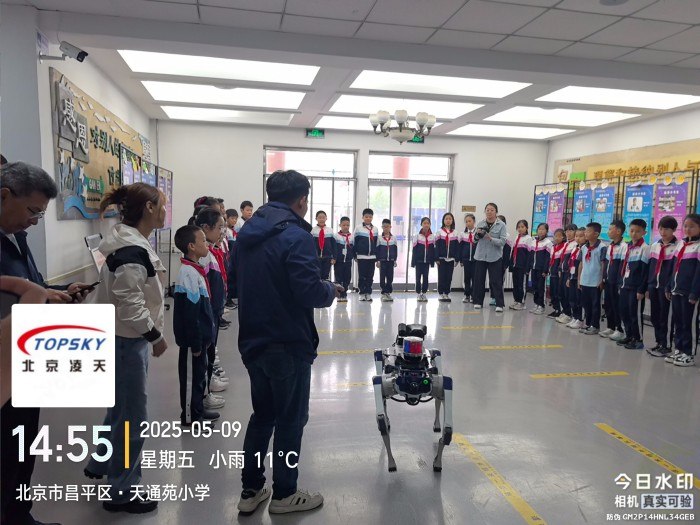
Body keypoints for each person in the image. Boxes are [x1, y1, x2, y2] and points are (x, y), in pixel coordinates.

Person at [234, 170, 340, 514]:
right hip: (288, 341)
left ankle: (251, 490)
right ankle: (284, 493)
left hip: (253, 340)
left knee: (262, 416)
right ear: (302, 200)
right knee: (290, 420)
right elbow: (308, 291)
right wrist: (330, 289)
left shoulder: (246, 233)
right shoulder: (296, 236)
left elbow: (235, 283)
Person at [1, 161, 93, 525]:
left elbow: (33, 285)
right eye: (32, 211)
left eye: (40, 214)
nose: (35, 222)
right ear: (4, 196)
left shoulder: (17, 238)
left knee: (22, 444)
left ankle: (19, 514)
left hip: (27, 359)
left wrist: (59, 292)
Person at [84, 182, 168, 514]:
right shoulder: (131, 250)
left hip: (121, 338)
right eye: (162, 205)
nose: (165, 211)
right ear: (149, 208)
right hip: (126, 341)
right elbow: (131, 305)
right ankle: (122, 491)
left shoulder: (129, 241)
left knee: (119, 409)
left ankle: (101, 463)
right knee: (132, 419)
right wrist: (155, 336)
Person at [173, 225, 219, 424]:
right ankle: (190, 417)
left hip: (201, 338)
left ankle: (198, 409)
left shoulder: (195, 269)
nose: (207, 244)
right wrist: (196, 342)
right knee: (191, 378)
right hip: (193, 341)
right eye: (203, 240)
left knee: (199, 375)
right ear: (191, 246)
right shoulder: (188, 273)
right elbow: (190, 313)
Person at [193, 208, 229, 397]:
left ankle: (208, 384)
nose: (222, 231)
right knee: (206, 349)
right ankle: (205, 390)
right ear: (206, 228)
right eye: (219, 227)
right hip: (209, 310)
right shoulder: (203, 255)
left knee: (211, 347)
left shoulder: (211, 251)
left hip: (214, 309)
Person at [665, 214, 700, 367]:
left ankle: (689, 353)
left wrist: (695, 292)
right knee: (678, 322)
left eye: (692, 226)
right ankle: (679, 349)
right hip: (676, 289)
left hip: (689, 293)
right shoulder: (681, 244)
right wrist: (668, 285)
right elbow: (674, 267)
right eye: (685, 226)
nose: (687, 229)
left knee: (688, 323)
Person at [646, 216, 678, 358]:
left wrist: (669, 287)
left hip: (666, 288)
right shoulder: (655, 245)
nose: (663, 232)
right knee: (655, 316)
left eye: (666, 229)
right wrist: (648, 286)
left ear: (674, 230)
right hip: (654, 286)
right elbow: (651, 267)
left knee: (666, 318)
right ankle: (659, 342)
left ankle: (667, 345)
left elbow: (675, 270)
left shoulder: (677, 247)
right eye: (661, 228)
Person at [617, 219, 650, 350]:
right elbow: (622, 267)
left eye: (638, 231)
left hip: (635, 288)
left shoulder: (645, 248)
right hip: (624, 286)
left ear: (644, 233)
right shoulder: (626, 246)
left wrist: (641, 290)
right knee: (624, 312)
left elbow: (645, 272)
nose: (634, 234)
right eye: (632, 231)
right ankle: (629, 335)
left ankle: (638, 339)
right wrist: (620, 284)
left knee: (634, 314)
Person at [472, 203, 507, 312]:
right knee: (479, 280)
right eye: (487, 210)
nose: (489, 212)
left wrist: (490, 238)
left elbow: (502, 242)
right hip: (480, 256)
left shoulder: (501, 225)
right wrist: (477, 235)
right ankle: (478, 302)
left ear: (496, 212)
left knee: (496, 281)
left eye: (492, 210)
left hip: (495, 257)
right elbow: (474, 240)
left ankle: (499, 304)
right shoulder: (480, 223)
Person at [577, 222, 605, 335]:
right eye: (585, 231)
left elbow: (603, 264)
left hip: (595, 282)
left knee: (595, 305)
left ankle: (595, 326)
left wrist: (602, 279)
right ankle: (588, 324)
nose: (585, 233)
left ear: (596, 234)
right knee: (586, 304)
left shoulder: (602, 247)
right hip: (585, 280)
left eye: (588, 231)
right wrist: (579, 279)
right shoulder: (584, 247)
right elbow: (581, 263)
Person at [601, 220, 626, 341]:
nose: (608, 232)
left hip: (616, 282)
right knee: (608, 305)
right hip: (608, 281)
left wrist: (619, 282)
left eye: (610, 229)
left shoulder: (624, 247)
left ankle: (619, 329)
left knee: (617, 306)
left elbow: (622, 267)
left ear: (619, 231)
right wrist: (604, 278)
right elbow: (606, 264)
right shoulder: (610, 246)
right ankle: (610, 327)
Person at [354, 208, 378, 302]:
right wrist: (355, 255)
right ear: (363, 217)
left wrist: (377, 257)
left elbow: (376, 243)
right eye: (366, 217)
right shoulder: (358, 228)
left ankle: (368, 293)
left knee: (370, 276)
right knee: (362, 276)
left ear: (372, 218)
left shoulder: (375, 229)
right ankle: (362, 293)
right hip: (361, 257)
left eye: (370, 217)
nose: (368, 218)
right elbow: (354, 242)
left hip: (372, 257)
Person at [556, 224, 578, 324]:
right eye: (567, 231)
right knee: (561, 293)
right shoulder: (566, 244)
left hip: (569, 273)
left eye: (571, 230)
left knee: (568, 294)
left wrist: (569, 274)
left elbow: (572, 261)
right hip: (562, 272)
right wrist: (560, 269)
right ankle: (565, 312)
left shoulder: (575, 244)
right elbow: (562, 259)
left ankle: (570, 314)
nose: (568, 233)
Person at [565, 228, 586, 329]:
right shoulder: (575, 248)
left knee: (579, 300)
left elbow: (582, 265)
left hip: (579, 278)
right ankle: (575, 317)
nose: (578, 238)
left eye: (581, 236)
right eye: (577, 236)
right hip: (572, 277)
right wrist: (569, 278)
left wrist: (579, 279)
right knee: (572, 298)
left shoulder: (585, 248)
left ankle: (580, 319)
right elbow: (571, 264)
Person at [529, 223, 552, 315]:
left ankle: (541, 305)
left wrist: (545, 270)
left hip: (541, 269)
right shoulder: (533, 241)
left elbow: (548, 258)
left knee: (541, 287)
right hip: (534, 268)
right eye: (539, 229)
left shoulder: (548, 243)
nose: (541, 231)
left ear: (546, 231)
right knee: (534, 287)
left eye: (543, 229)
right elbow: (531, 255)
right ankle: (536, 304)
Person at [435, 212, 459, 302]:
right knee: (441, 277)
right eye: (446, 219)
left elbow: (457, 247)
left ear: (452, 221)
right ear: (443, 220)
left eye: (450, 219)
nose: (448, 220)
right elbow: (436, 246)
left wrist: (456, 258)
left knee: (449, 277)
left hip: (451, 259)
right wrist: (436, 258)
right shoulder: (439, 232)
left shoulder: (455, 233)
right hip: (441, 259)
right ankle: (441, 293)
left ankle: (446, 293)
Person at [509, 219, 532, 311]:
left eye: (522, 227)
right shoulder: (517, 237)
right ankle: (516, 300)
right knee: (515, 284)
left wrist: (527, 268)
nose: (520, 229)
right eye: (518, 227)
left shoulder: (528, 239)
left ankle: (521, 302)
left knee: (522, 284)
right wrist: (511, 264)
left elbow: (529, 255)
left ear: (526, 228)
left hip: (523, 266)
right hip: (516, 265)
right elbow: (513, 252)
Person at [411, 217, 435, 303]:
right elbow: (414, 250)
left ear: (430, 225)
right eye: (424, 223)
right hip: (418, 261)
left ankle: (424, 293)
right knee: (418, 278)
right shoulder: (417, 236)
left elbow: (433, 250)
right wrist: (413, 262)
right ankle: (418, 293)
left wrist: (432, 262)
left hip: (427, 262)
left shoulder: (432, 237)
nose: (426, 225)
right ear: (421, 224)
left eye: (428, 223)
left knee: (425, 278)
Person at [546, 228, 566, 318]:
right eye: (555, 236)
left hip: (559, 274)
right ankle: (556, 309)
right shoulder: (553, 247)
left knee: (558, 293)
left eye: (559, 236)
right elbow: (551, 260)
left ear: (563, 237)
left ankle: (561, 310)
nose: (557, 238)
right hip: (552, 273)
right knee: (552, 292)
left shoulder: (564, 246)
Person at [376, 219, 397, 302]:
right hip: (382, 261)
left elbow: (395, 250)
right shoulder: (379, 238)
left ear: (390, 227)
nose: (386, 228)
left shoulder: (393, 238)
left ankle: (388, 292)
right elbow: (377, 250)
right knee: (382, 277)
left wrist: (395, 260)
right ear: (382, 227)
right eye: (384, 227)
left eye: (387, 227)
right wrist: (378, 261)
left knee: (390, 277)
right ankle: (383, 293)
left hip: (391, 261)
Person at [334, 216, 354, 303]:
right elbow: (334, 248)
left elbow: (353, 248)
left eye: (347, 225)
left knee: (347, 278)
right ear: (340, 225)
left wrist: (352, 256)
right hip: (338, 261)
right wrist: (334, 258)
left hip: (348, 261)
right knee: (338, 278)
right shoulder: (336, 236)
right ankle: (339, 295)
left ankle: (344, 293)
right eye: (344, 225)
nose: (346, 227)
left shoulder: (352, 236)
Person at [311, 210, 336, 280]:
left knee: (325, 276)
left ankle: (325, 287)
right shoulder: (313, 230)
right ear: (316, 219)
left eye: (323, 217)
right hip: (316, 257)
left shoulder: (330, 230)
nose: (321, 219)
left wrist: (334, 257)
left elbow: (334, 245)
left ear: (326, 218)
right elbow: (310, 245)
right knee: (317, 275)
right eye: (319, 217)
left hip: (327, 257)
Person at [459, 213, 477, 303]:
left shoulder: (477, 233)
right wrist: (461, 260)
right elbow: (460, 247)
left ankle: (473, 296)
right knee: (467, 278)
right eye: (466, 222)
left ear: (474, 221)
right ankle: (467, 295)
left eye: (469, 221)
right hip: (466, 260)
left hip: (475, 260)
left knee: (475, 278)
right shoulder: (463, 234)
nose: (468, 223)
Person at [225, 209, 239, 308]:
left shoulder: (233, 231)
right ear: (227, 218)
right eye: (232, 218)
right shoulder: (226, 231)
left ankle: (230, 298)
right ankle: (228, 299)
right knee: (228, 279)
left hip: (233, 258)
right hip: (228, 257)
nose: (234, 220)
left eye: (235, 219)